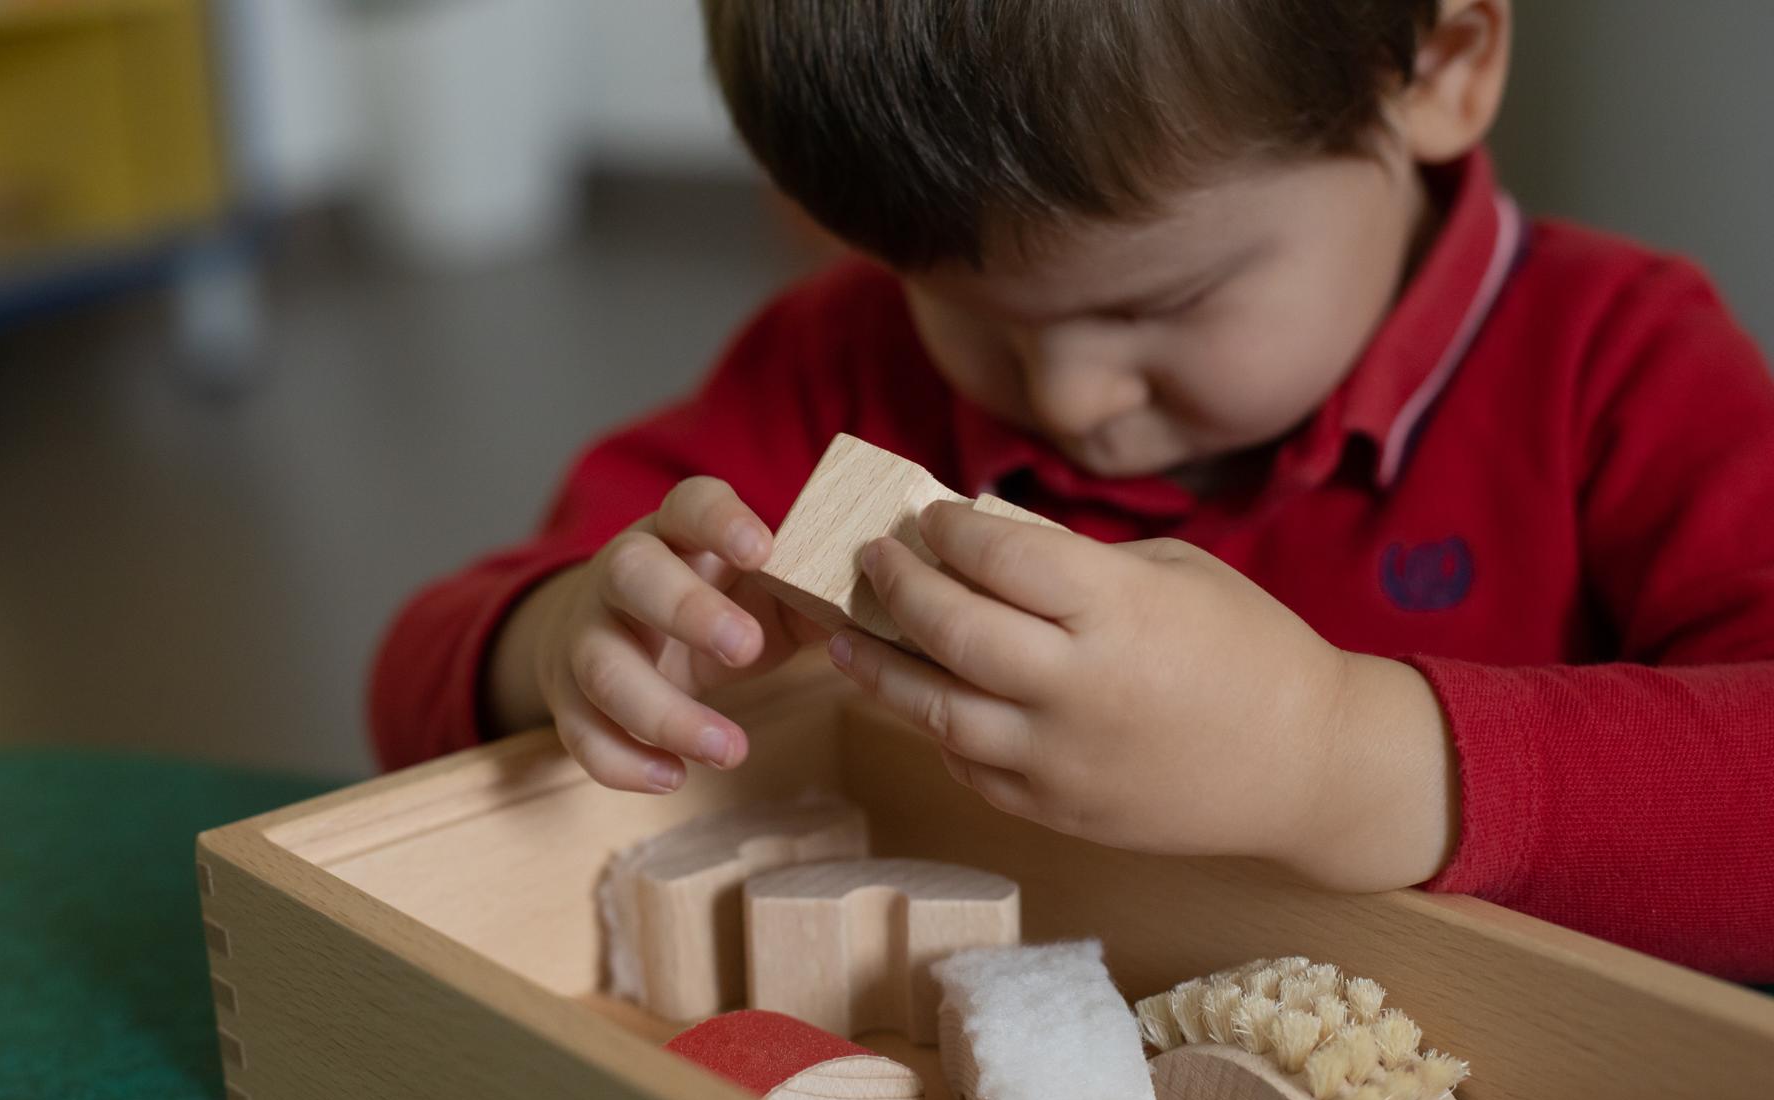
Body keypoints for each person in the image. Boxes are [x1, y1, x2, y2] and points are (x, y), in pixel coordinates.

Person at [370, 0, 1774, 981]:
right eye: (962, 306)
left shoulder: (1617, 367)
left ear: (1443, 63)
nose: (1067, 400)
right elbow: (418, 677)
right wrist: (568, 646)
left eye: (1170, 301)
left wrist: (1337, 754)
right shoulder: (833, 367)